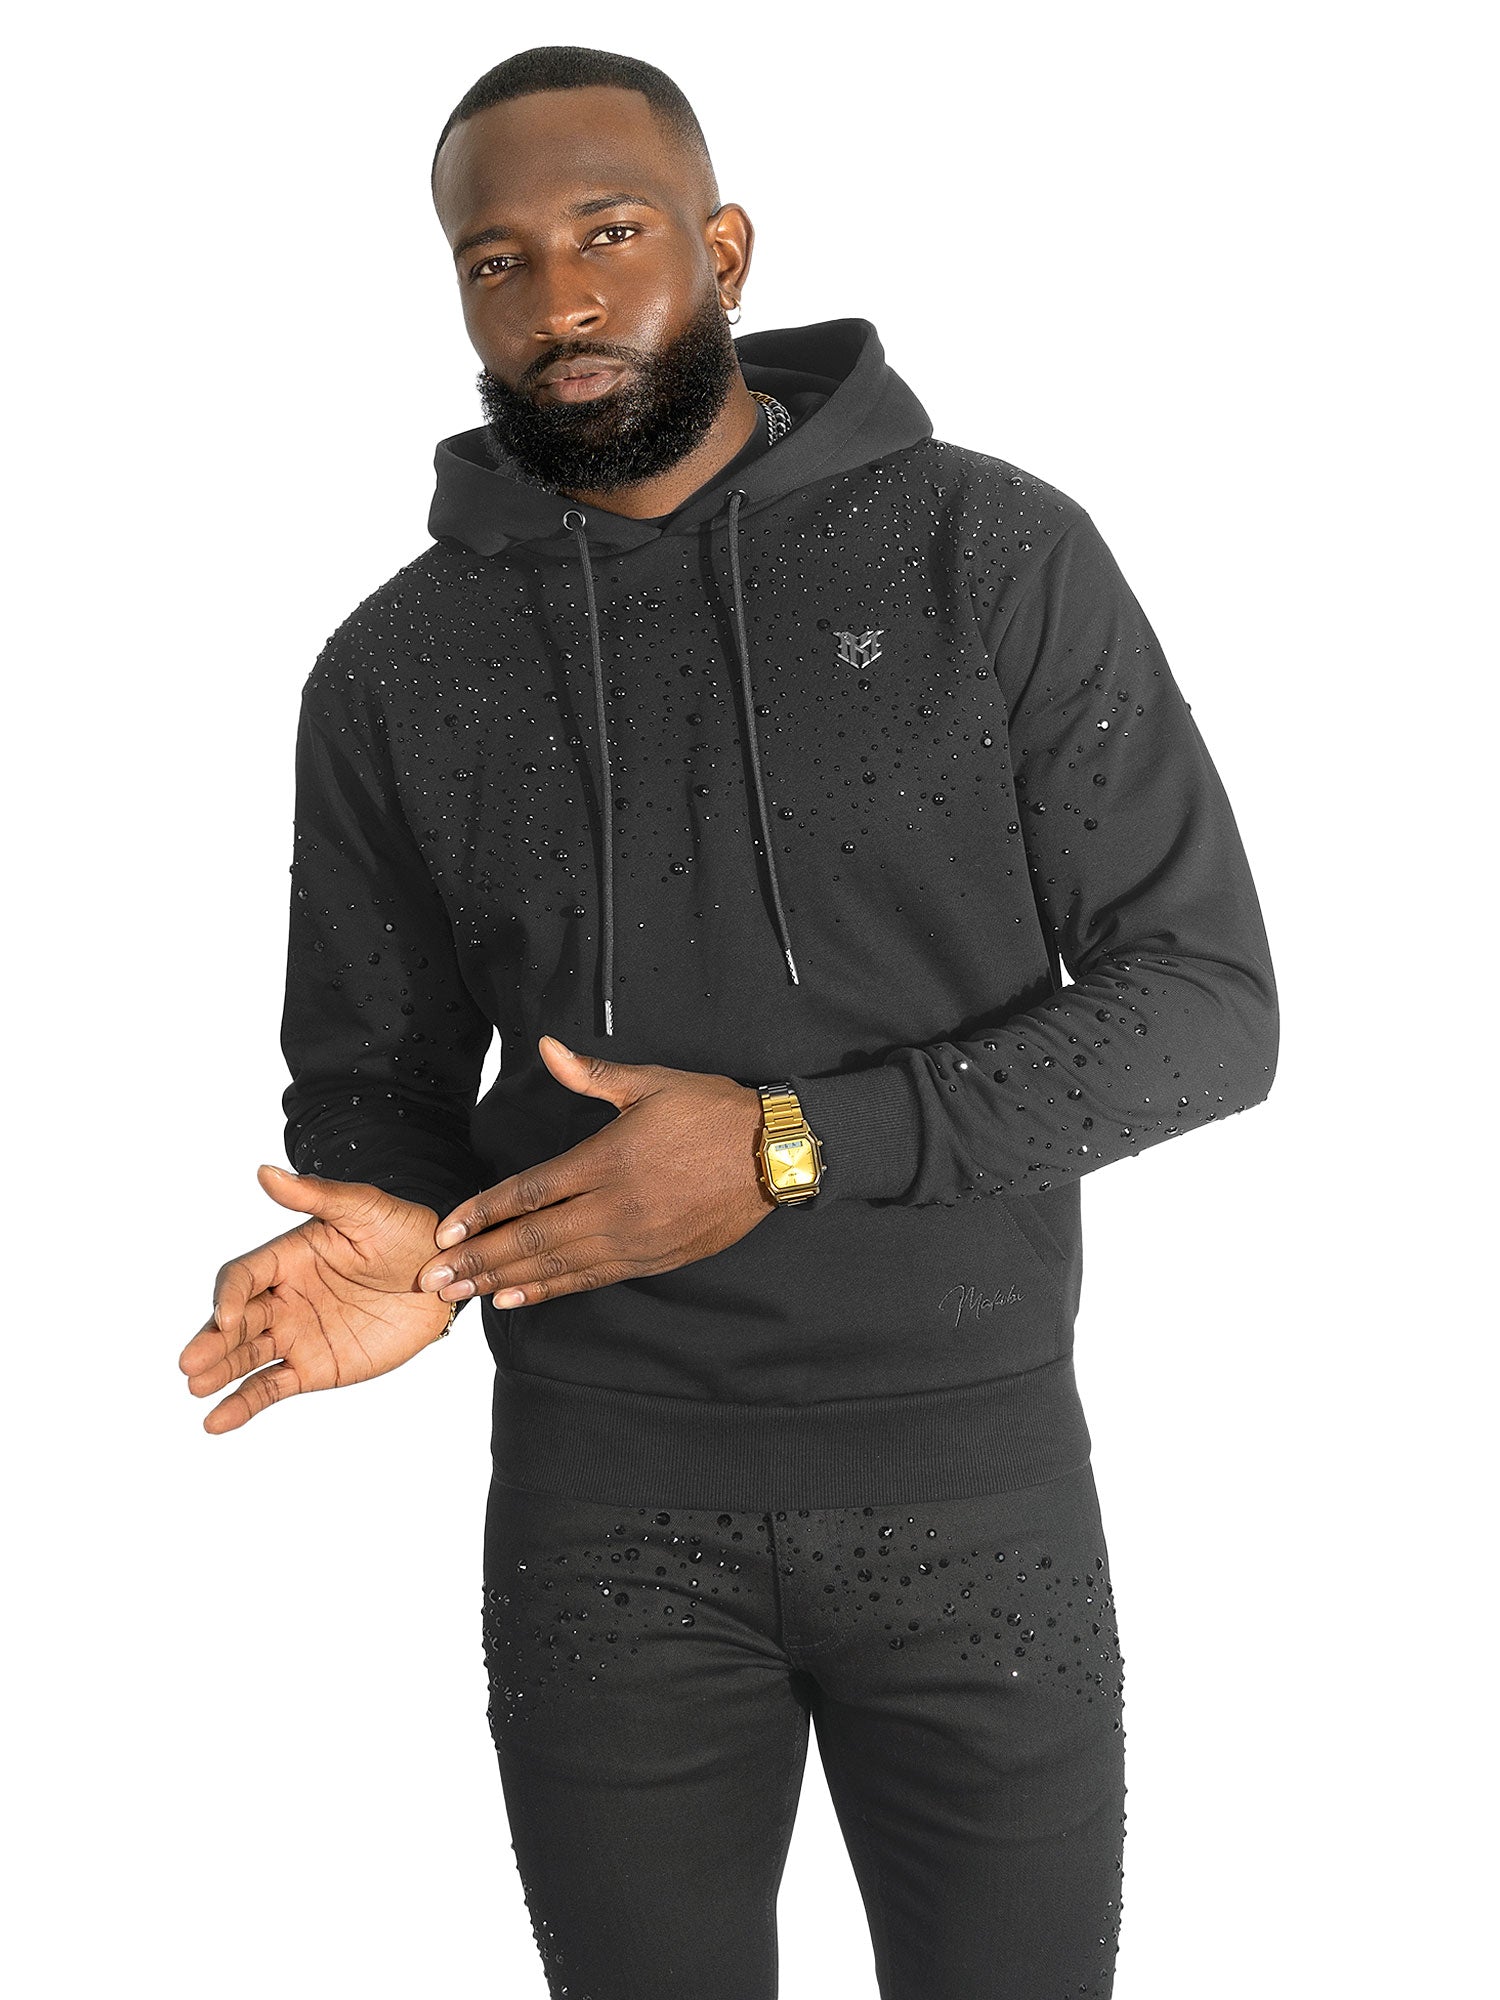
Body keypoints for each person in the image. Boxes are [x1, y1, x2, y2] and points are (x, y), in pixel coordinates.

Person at [179, 43, 1279, 2000]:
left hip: (977, 1494)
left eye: (610, 234)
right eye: (498, 261)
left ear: (727, 249)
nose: (562, 300)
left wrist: (788, 1147)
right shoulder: (393, 669)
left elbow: (1207, 1009)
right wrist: (396, 1236)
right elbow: (375, 1085)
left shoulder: (989, 553)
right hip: (604, 1524)